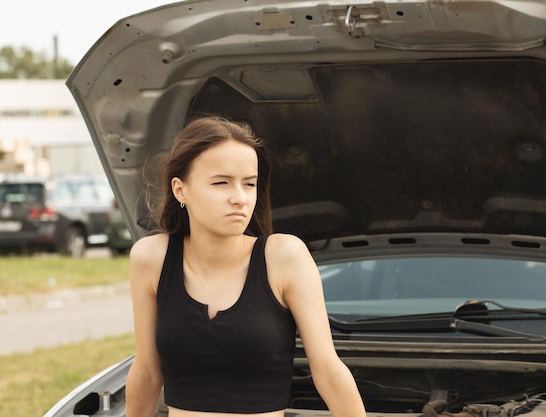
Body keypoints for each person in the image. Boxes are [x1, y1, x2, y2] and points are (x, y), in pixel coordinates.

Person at [125, 115, 367, 417]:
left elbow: (329, 372)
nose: (239, 198)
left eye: (249, 184)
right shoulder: (150, 257)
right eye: (221, 183)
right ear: (180, 189)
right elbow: (147, 373)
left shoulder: (284, 256)